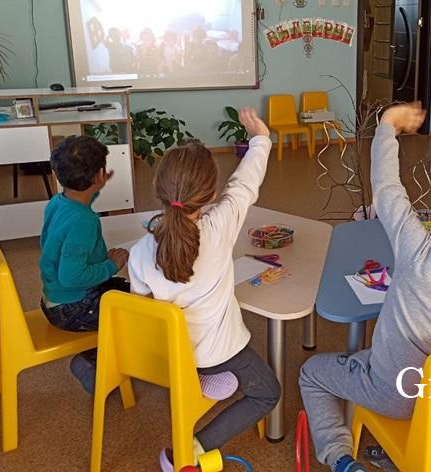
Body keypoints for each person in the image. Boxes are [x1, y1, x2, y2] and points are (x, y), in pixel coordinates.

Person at [299, 102, 431, 472]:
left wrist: (386, 126)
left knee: (312, 373)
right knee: (368, 358)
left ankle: (339, 458)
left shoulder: (419, 254)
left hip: (392, 393)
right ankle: (400, 451)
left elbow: (387, 188)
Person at [127, 110, 280, 471]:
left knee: (219, 373)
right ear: (211, 194)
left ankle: (199, 379)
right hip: (219, 352)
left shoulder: (140, 251)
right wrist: (261, 138)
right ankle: (192, 449)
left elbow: (141, 308)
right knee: (267, 392)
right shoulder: (219, 226)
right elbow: (244, 186)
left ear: (159, 191)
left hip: (170, 357)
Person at [39, 135, 130, 393]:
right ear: (100, 174)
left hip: (56, 299)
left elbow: (83, 195)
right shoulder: (84, 222)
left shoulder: (59, 202)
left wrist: (97, 185)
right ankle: (91, 361)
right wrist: (111, 265)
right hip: (73, 307)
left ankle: (96, 354)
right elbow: (72, 276)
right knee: (139, 310)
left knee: (128, 292)